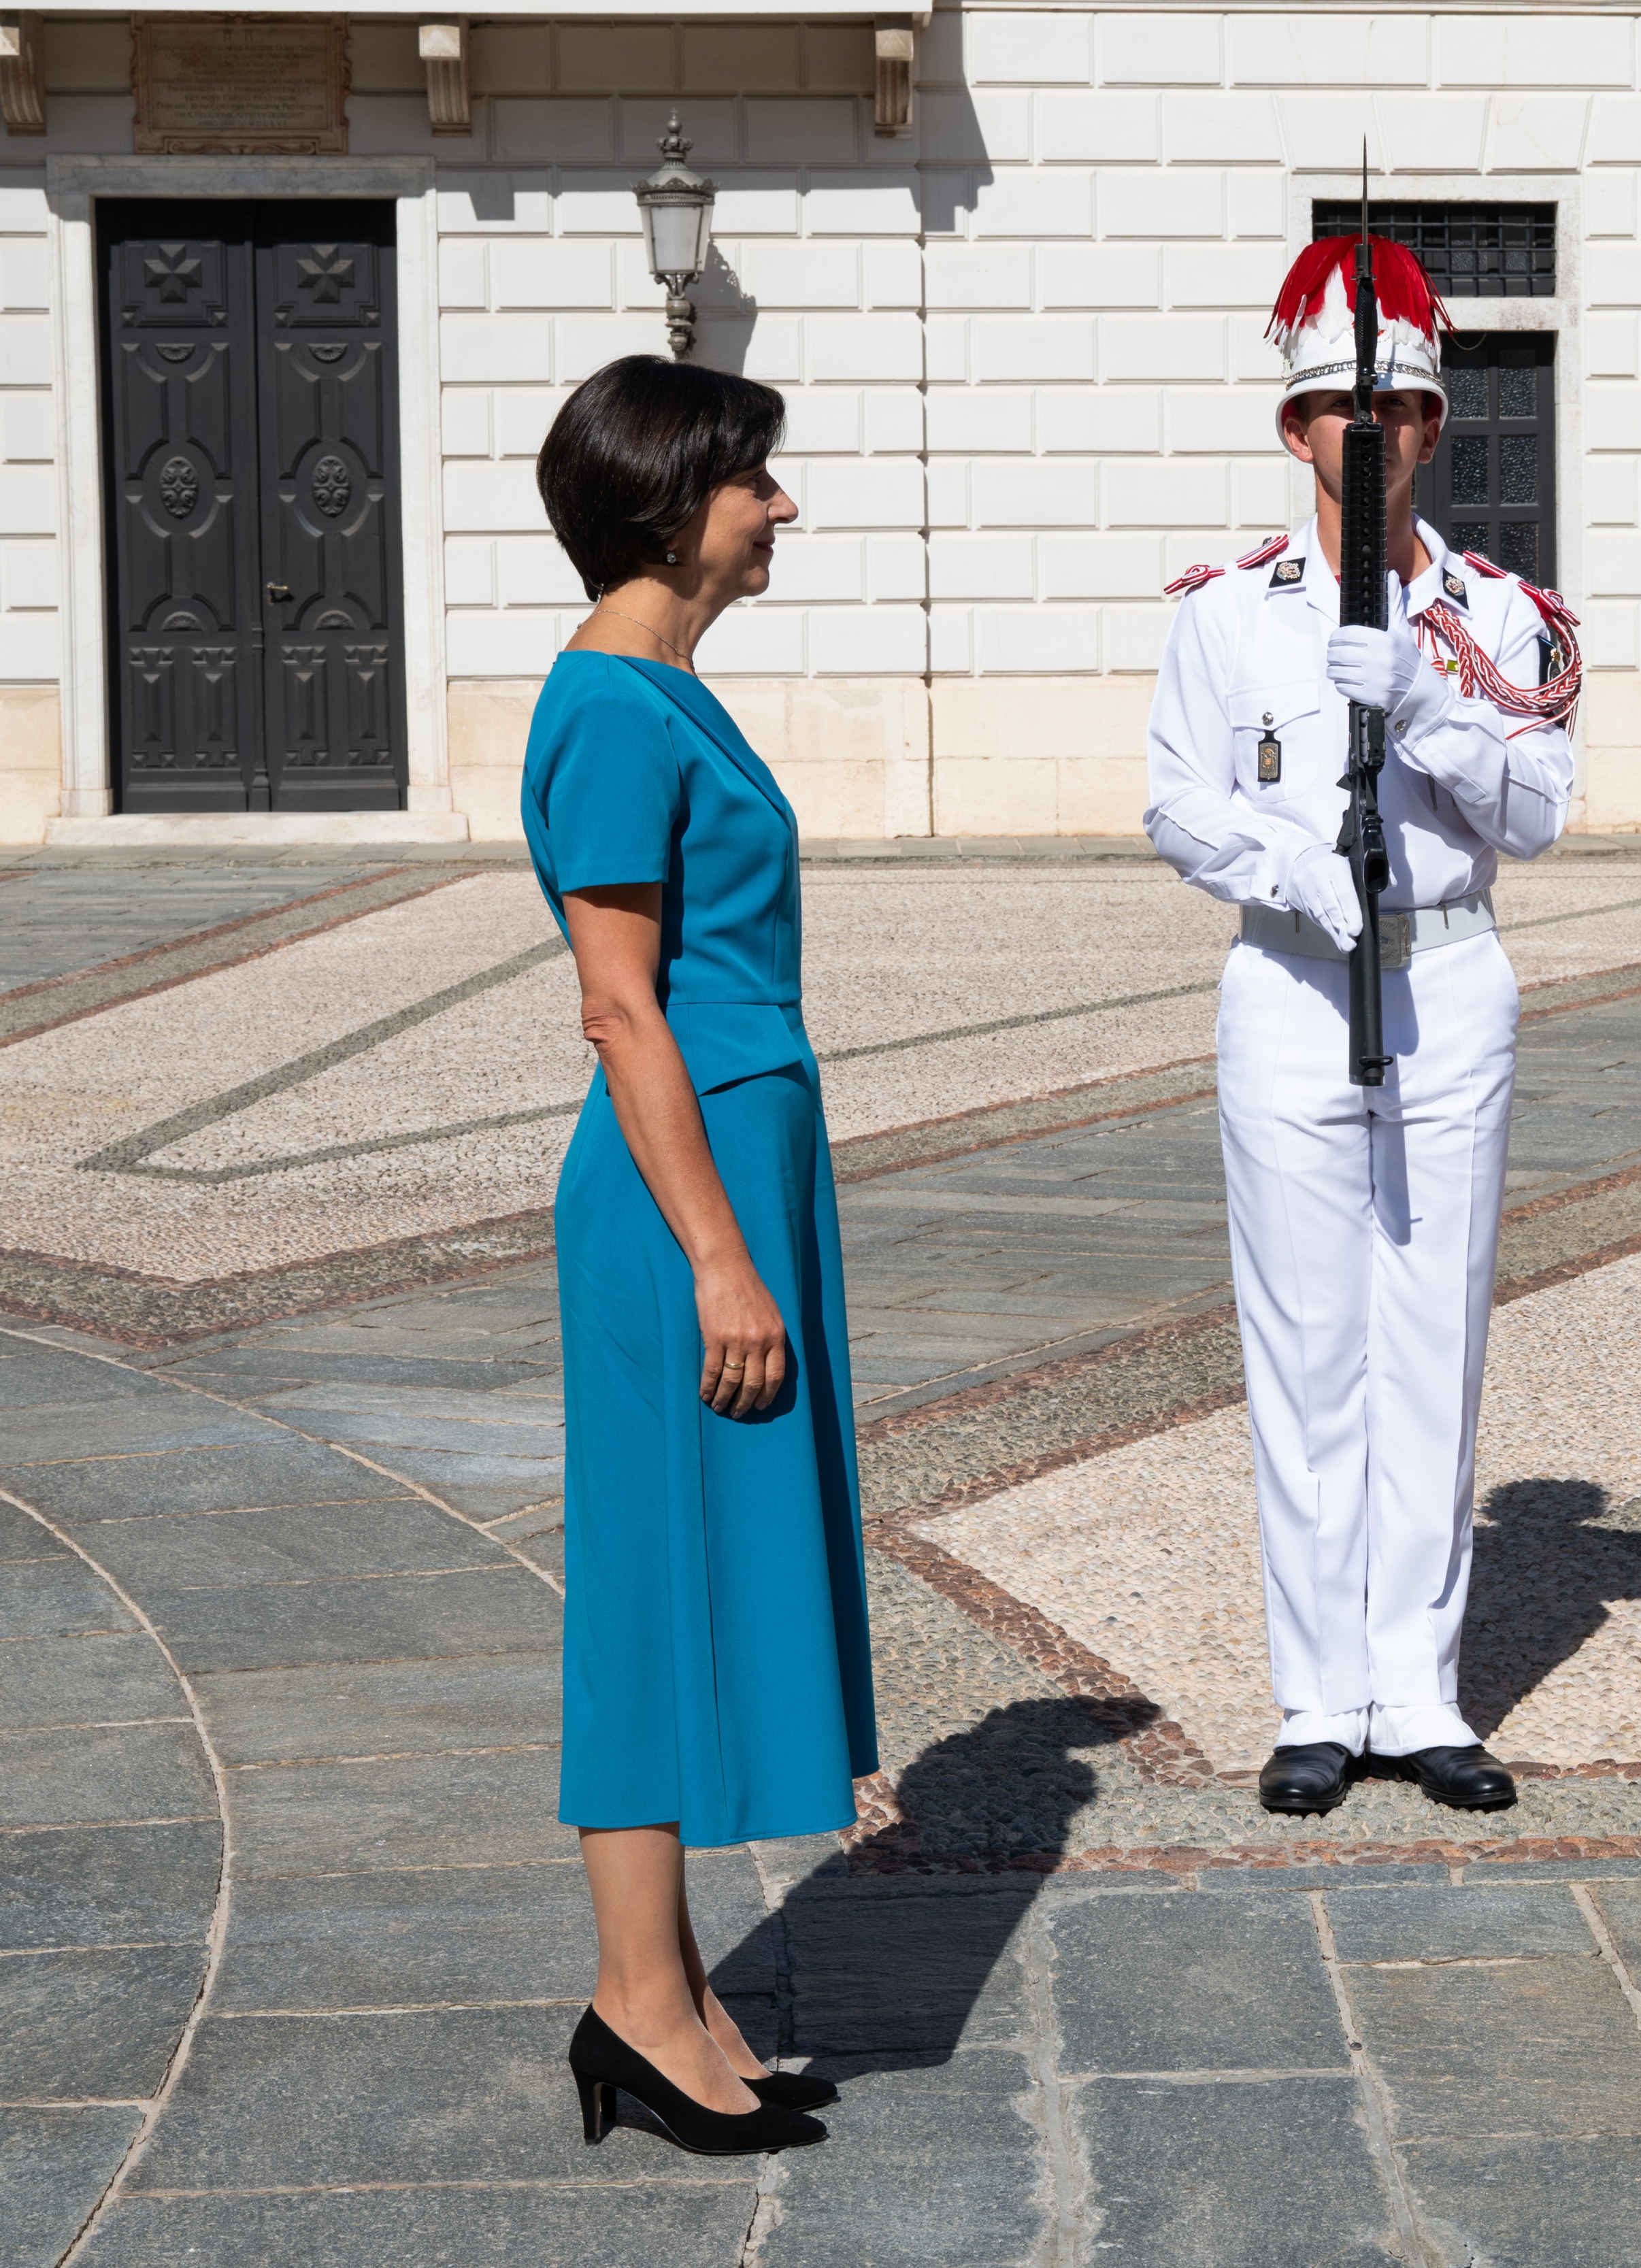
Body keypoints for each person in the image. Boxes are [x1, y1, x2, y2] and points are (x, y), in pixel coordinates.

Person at [1144, 235, 1579, 1817]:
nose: (1362, 435)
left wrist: (1432, 703)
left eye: (1391, 412)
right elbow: (1174, 798)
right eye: (1335, 408)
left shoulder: (1499, 616)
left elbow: (1537, 813)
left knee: (1431, 1341)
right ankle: (1317, 1692)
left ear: (1434, 429)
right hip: (1290, 977)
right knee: (1306, 1348)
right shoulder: (1226, 615)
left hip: (1450, 974)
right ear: (1294, 428)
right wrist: (1290, 869)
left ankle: (1422, 1687)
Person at [525, 356, 870, 2154]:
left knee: (681, 1569)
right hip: (680, 1197)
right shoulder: (605, 705)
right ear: (676, 500)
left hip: (735, 1163)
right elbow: (618, 1009)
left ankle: (670, 1988)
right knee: (646, 1585)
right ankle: (634, 1998)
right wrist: (724, 1261)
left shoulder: (672, 693)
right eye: (759, 480)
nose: (781, 507)